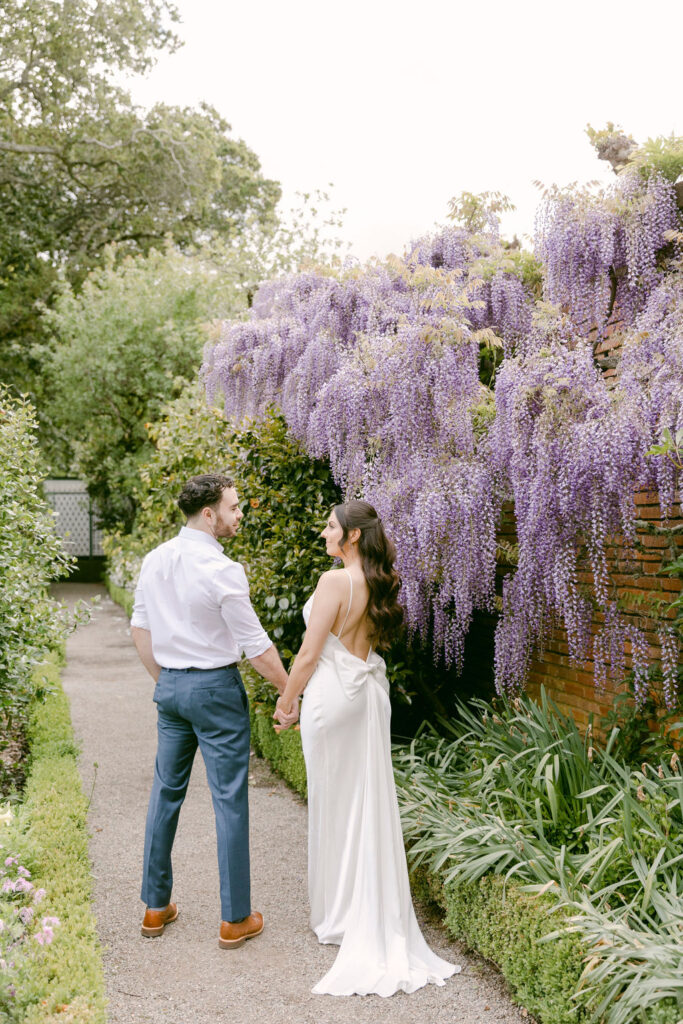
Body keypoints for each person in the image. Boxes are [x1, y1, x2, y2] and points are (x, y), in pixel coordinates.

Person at [274, 500, 459, 996]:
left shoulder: (334, 583)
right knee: (364, 804)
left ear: (352, 535)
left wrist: (286, 703)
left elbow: (310, 653)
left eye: (331, 526)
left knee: (333, 804)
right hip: (368, 696)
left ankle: (338, 914)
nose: (324, 532)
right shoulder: (382, 582)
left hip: (332, 697)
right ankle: (355, 907)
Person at [130, 473, 298, 948]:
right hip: (216, 690)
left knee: (165, 794)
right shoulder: (223, 570)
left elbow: (140, 631)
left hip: (172, 688)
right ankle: (234, 918)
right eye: (234, 507)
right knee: (228, 799)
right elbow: (257, 649)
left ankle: (155, 907)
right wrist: (290, 693)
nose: (239, 514)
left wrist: (168, 683)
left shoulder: (155, 559)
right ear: (209, 514)